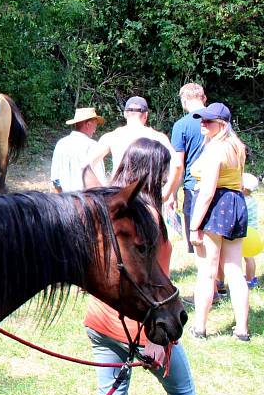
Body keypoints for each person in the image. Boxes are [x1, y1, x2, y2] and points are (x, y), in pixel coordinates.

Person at [85, 137, 211, 395]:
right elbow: (149, 286)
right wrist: (153, 339)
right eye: (167, 169)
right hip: (142, 325)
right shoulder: (145, 217)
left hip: (100, 319)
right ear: (154, 171)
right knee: (182, 393)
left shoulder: (112, 207)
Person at [188, 102, 249, 341]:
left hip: (216, 206)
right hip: (235, 204)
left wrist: (194, 227)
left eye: (208, 121)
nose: (203, 123)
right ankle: (242, 329)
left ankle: (199, 327)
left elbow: (207, 192)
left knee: (207, 271)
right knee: (234, 270)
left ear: (221, 125)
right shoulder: (237, 147)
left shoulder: (216, 150)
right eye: (202, 119)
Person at [85, 96, 182, 205]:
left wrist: (103, 190)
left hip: (120, 198)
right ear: (146, 115)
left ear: (125, 114)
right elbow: (178, 164)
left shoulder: (111, 137)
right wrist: (167, 192)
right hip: (148, 199)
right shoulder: (158, 137)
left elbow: (86, 165)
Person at [171, 83, 207, 254]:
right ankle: (220, 277)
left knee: (197, 238)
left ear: (184, 101)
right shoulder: (220, 119)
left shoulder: (181, 125)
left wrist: (172, 194)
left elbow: (178, 165)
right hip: (222, 185)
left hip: (194, 187)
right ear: (204, 98)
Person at [50, 107, 105, 192]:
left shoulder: (61, 143)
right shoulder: (93, 146)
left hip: (63, 201)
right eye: (95, 125)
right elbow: (99, 181)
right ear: (88, 124)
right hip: (84, 201)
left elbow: (55, 180)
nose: (95, 130)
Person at [242, 173, 259, 288]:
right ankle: (251, 277)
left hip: (246, 232)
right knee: (250, 257)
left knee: (247, 257)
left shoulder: (244, 202)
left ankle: (249, 280)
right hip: (253, 232)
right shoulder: (252, 200)